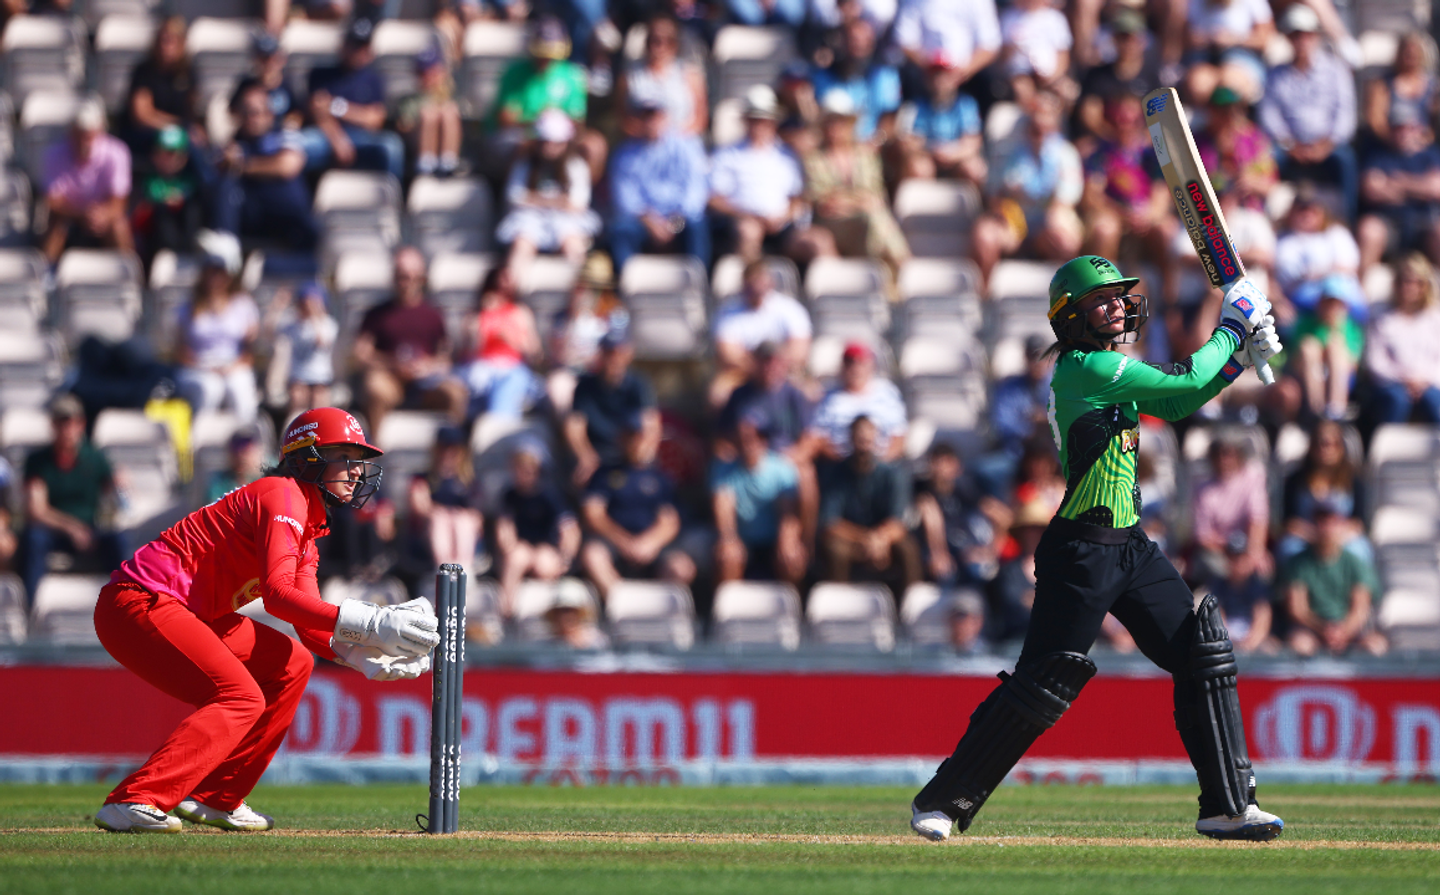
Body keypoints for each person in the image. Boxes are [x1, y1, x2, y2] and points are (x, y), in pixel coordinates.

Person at [909, 255, 1286, 843]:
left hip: (1132, 544)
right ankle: (943, 801)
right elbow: (1185, 381)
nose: (1117, 305)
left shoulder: (1110, 370)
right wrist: (1233, 330)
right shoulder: (1085, 369)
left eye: (1119, 296)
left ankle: (1228, 805)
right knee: (1042, 683)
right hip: (1080, 550)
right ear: (1070, 317)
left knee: (1201, 655)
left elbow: (1179, 404)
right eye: (1101, 299)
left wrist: (1235, 362)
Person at [91, 407, 440, 833]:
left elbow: (306, 622)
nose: (355, 472)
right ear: (309, 458)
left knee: (292, 663)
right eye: (344, 457)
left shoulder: (307, 523)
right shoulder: (283, 496)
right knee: (240, 697)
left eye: (357, 460)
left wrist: (357, 655)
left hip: (177, 608)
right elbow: (277, 596)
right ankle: (135, 799)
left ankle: (218, 798)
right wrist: (372, 623)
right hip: (139, 602)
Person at [18, 394, 128, 608]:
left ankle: (123, 606)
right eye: (61, 422)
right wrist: (72, 528)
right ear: (53, 425)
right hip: (54, 531)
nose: (66, 428)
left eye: (71, 422)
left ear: (81, 424)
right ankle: (30, 607)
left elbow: (117, 495)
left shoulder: (94, 458)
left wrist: (120, 483)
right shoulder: (39, 462)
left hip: (89, 528)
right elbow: (36, 510)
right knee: (33, 539)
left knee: (119, 540)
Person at [708, 85, 833, 264]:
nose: (760, 125)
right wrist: (747, 215)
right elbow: (714, 199)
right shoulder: (727, 155)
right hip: (742, 223)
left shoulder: (787, 155)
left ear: (774, 122)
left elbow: (797, 197)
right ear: (746, 120)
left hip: (782, 226)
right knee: (748, 231)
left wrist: (783, 217)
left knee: (820, 241)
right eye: (755, 119)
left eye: (765, 120)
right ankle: (754, 286)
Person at [351, 245, 468, 434]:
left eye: (408, 276)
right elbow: (360, 354)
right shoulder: (376, 314)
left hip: (426, 382)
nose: (403, 282)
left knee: (456, 394)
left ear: (420, 278)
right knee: (374, 389)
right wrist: (392, 364)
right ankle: (375, 453)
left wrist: (427, 366)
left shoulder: (433, 314)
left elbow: (444, 357)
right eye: (399, 275)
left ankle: (453, 453)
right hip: (391, 379)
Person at [1258, 4, 1358, 221]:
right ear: (1288, 39)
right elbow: (1269, 116)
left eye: (1306, 34)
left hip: (1328, 145)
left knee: (1346, 160)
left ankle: (1349, 220)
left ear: (1316, 36)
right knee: (1267, 158)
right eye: (1296, 35)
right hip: (1289, 147)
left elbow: (1345, 115)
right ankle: (1268, 222)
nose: (1302, 40)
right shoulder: (1276, 74)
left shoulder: (1336, 69)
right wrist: (1290, 145)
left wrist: (1327, 143)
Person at [578, 417, 696, 599]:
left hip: (651, 547)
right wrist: (625, 542)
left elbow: (669, 522)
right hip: (614, 544)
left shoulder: (661, 477)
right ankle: (621, 606)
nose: (637, 442)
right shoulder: (603, 474)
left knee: (682, 568)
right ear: (621, 439)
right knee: (592, 556)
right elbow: (593, 515)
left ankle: (655, 608)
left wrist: (648, 544)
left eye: (641, 437)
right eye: (632, 436)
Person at [803, 90, 909, 275]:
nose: (836, 127)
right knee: (874, 217)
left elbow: (875, 195)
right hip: (832, 224)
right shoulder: (814, 159)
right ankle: (902, 263)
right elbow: (825, 204)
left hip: (865, 220)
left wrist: (849, 202)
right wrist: (860, 203)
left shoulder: (865, 156)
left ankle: (886, 270)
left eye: (841, 121)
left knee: (874, 218)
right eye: (831, 121)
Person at [606, 93, 710, 271]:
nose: (651, 122)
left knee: (697, 225)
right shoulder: (624, 154)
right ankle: (628, 284)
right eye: (646, 116)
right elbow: (626, 199)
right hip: (645, 221)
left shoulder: (687, 147)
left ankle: (698, 283)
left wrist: (675, 221)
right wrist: (651, 222)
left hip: (680, 218)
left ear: (666, 117)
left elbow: (695, 191)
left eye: (655, 116)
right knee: (619, 230)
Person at [818, 415, 920, 597]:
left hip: (884, 538)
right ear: (851, 438)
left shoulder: (893, 473)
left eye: (868, 435)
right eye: (859, 435)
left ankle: (909, 607)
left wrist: (880, 539)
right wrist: (867, 539)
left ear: (876, 438)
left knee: (908, 548)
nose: (864, 440)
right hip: (853, 538)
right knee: (835, 549)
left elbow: (898, 521)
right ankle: (839, 606)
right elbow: (830, 522)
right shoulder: (835, 474)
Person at [215, 83, 318, 252]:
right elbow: (222, 164)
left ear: (269, 114)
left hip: (291, 218)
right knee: (227, 185)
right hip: (254, 215)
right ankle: (223, 248)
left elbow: (287, 165)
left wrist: (243, 166)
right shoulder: (234, 143)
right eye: (246, 112)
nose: (252, 118)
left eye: (257, 112)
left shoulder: (284, 135)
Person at [497, 109, 600, 275]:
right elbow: (514, 197)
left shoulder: (576, 165)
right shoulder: (525, 164)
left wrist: (536, 199)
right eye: (545, 141)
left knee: (573, 244)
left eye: (554, 142)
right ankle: (512, 292)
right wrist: (558, 201)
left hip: (566, 222)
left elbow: (578, 204)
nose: (548, 147)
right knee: (522, 243)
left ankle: (579, 295)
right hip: (530, 220)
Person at [173, 230, 261, 425]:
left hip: (232, 365)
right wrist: (204, 367)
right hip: (197, 368)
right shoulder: (188, 307)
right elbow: (179, 350)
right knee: (209, 388)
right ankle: (199, 443)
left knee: (240, 387)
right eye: (210, 269)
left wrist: (232, 367)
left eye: (219, 270)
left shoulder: (244, 305)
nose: (214, 276)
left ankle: (245, 442)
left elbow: (249, 351)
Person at [300, 17, 405, 180]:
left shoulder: (374, 79)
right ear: (344, 45)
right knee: (301, 144)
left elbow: (374, 120)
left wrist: (336, 107)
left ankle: (393, 195)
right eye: (354, 45)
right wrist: (338, 140)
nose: (359, 52)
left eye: (364, 46)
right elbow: (317, 110)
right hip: (327, 135)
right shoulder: (321, 74)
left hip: (362, 137)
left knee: (392, 146)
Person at [1282, 501, 1388, 657]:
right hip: (1311, 630)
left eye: (1333, 523)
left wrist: (1342, 631)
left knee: (1376, 646)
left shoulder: (1355, 563)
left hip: (1349, 631)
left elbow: (1360, 609)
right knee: (1300, 644)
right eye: (1322, 522)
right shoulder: (1298, 564)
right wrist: (1324, 629)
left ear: (1342, 526)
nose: (1327, 529)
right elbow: (1297, 608)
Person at [712, 415, 807, 588]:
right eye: (741, 438)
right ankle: (728, 611)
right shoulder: (723, 470)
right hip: (743, 542)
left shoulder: (782, 469)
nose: (747, 443)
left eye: (754, 437)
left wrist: (787, 541)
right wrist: (729, 539)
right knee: (728, 556)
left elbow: (788, 512)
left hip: (774, 541)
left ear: (764, 440)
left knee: (792, 558)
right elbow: (723, 508)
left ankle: (792, 607)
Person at [41, 98, 133, 264]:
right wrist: (82, 214)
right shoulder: (54, 154)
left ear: (100, 132)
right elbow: (53, 202)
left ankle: (125, 272)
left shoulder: (117, 153)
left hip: (102, 220)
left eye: (89, 136)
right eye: (80, 135)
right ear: (72, 132)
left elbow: (119, 202)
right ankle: (47, 275)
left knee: (119, 225)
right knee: (56, 225)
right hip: (70, 219)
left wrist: (102, 215)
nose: (84, 142)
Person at [565, 325, 660, 487]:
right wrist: (586, 456)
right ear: (601, 355)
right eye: (609, 353)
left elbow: (651, 424)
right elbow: (574, 427)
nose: (614, 358)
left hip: (630, 451)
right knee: (581, 482)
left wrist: (643, 454)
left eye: (619, 352)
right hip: (598, 451)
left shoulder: (639, 384)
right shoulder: (584, 387)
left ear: (628, 354)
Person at [709, 260, 812, 407]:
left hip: (785, 372)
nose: (757, 289)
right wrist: (759, 370)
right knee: (718, 394)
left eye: (760, 282)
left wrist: (773, 368)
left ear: (771, 283)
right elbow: (727, 354)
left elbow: (799, 352)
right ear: (744, 284)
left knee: (810, 392)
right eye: (752, 284)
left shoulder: (791, 309)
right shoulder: (728, 311)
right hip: (742, 373)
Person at [495, 443, 579, 616]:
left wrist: (565, 558)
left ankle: (546, 615)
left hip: (546, 549)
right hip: (522, 548)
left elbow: (569, 529)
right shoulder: (509, 495)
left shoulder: (550, 495)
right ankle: (507, 610)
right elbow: (504, 528)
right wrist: (508, 548)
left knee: (544, 563)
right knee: (516, 557)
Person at [1363, 252, 1440, 429]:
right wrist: (1405, 379)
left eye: (1416, 282)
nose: (1409, 287)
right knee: (1397, 399)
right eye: (1405, 281)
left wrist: (1423, 380)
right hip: (1390, 384)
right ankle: (1386, 448)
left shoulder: (1435, 318)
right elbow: (1375, 361)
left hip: (1428, 383)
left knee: (1435, 400)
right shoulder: (1380, 314)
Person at [456, 266, 542, 420]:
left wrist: (512, 340)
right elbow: (465, 353)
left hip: (512, 367)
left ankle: (498, 425)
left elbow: (536, 354)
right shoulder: (475, 315)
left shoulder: (520, 312)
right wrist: (478, 325)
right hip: (481, 369)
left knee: (508, 381)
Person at [617, 10, 707, 138]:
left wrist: (670, 134)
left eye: (667, 41)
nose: (660, 46)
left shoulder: (691, 75)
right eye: (655, 40)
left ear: (675, 44)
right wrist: (646, 131)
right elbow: (622, 119)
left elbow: (700, 120)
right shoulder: (629, 76)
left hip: (681, 141)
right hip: (641, 141)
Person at [405, 425, 484, 571]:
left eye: (454, 449)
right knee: (439, 520)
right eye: (444, 448)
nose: (448, 454)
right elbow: (420, 507)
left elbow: (476, 517)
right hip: (427, 536)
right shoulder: (423, 479)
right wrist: (442, 513)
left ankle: (463, 570)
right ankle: (443, 570)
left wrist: (454, 516)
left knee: (463, 521)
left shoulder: (469, 483)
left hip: (462, 534)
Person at [121, 16, 196, 154]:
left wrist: (188, 128)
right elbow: (142, 116)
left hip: (176, 132)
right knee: (184, 143)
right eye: (162, 40)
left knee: (196, 143)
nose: (164, 46)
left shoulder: (188, 74)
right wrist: (177, 126)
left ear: (181, 44)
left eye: (170, 41)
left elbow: (189, 112)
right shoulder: (144, 72)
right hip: (145, 134)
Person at [394, 44, 464, 179]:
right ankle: (426, 163)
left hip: (446, 138)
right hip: (418, 142)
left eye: (432, 72)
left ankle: (448, 162)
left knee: (449, 112)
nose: (428, 77)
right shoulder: (410, 100)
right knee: (429, 115)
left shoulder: (453, 96)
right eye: (423, 73)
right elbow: (404, 126)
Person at [273, 281, 339, 416]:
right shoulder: (293, 325)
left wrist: (315, 315)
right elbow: (269, 331)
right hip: (298, 378)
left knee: (319, 401)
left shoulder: (328, 324)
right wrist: (278, 306)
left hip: (321, 378)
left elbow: (320, 341)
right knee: (297, 398)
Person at [204, 429, 265, 505]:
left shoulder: (266, 483)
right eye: (237, 448)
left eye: (247, 448)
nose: (242, 454)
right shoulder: (219, 484)